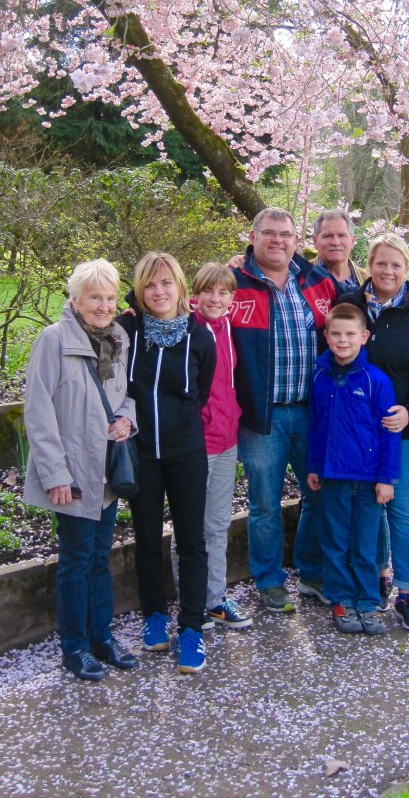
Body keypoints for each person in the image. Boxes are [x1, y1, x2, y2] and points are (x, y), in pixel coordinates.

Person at [24, 259, 137, 681]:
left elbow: (125, 396)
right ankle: (74, 647)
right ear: (76, 300)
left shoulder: (118, 339)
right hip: (71, 473)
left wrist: (126, 420)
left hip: (105, 471)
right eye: (94, 297)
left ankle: (102, 637)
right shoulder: (53, 340)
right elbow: (38, 413)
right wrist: (54, 475)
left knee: (100, 558)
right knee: (76, 560)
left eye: (109, 297)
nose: (104, 306)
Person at [230, 206, 338, 613]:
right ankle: (270, 579)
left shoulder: (317, 281)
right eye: (269, 233)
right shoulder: (233, 283)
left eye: (285, 234)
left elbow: (362, 310)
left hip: (312, 412)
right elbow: (185, 307)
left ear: (296, 240)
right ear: (253, 236)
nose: (277, 240)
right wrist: (133, 308)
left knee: (320, 494)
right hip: (262, 415)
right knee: (264, 503)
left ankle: (311, 571)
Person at [118, 252, 216, 674]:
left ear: (180, 286)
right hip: (141, 453)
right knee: (146, 537)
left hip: (186, 453)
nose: (159, 292)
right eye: (149, 285)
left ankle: (192, 626)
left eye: (166, 283)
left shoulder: (201, 338)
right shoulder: (127, 330)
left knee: (192, 541)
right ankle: (154, 614)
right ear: (139, 291)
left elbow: (201, 392)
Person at [342, 232, 409, 631]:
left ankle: (407, 593)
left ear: (406, 269)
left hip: (405, 432)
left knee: (404, 513)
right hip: (359, 434)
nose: (387, 271)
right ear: (368, 265)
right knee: (370, 507)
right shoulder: (349, 306)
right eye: (380, 263)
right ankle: (377, 577)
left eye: (396, 265)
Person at [307, 304, 400, 635]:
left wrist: (386, 479)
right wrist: (314, 466)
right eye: (336, 334)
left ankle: (367, 600)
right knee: (335, 542)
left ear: (364, 337)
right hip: (333, 476)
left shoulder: (377, 381)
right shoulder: (319, 376)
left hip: (368, 479)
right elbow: (315, 425)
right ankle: (341, 599)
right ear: (326, 336)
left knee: (364, 545)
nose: (343, 340)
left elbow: (390, 434)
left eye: (350, 334)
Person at [171, 262, 252, 630]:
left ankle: (215, 599)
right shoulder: (186, 329)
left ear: (232, 298)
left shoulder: (230, 327)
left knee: (217, 525)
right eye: (208, 291)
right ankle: (190, 601)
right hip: (196, 444)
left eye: (223, 293)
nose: (215, 299)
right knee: (189, 528)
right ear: (195, 295)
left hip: (227, 440)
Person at [310, 209, 368, 293]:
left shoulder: (369, 283)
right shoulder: (299, 279)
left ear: (352, 241)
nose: (336, 242)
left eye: (342, 235)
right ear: (315, 241)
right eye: (328, 236)